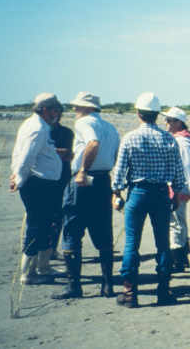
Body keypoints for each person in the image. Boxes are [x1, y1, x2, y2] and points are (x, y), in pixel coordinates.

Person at [112, 92, 186, 308]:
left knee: (131, 245)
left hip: (137, 193)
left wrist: (116, 193)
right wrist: (177, 194)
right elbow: (178, 172)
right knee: (163, 245)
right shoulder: (168, 138)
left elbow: (119, 171)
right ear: (156, 115)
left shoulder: (130, 137)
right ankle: (163, 290)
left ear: (139, 114)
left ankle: (129, 293)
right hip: (161, 194)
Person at [52, 92, 120, 300]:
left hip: (84, 181)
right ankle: (108, 286)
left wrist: (83, 170)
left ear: (90, 108)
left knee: (72, 227)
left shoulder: (84, 123)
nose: (75, 109)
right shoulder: (111, 127)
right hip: (102, 180)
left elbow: (93, 143)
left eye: (79, 106)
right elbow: (113, 153)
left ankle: (74, 286)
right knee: (103, 229)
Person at [10, 93, 65, 284]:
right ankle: (28, 274)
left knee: (45, 225)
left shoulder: (41, 126)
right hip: (37, 185)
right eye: (55, 110)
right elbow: (25, 158)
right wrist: (20, 178)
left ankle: (43, 268)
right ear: (45, 110)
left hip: (44, 185)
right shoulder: (36, 128)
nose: (58, 113)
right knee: (36, 226)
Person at [160, 107, 190, 272]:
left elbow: (189, 165)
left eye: (169, 120)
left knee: (175, 223)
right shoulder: (179, 139)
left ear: (178, 123)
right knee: (179, 221)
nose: (165, 123)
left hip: (177, 188)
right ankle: (183, 257)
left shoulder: (181, 141)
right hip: (179, 187)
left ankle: (178, 261)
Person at [49, 117, 74, 261]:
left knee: (59, 215)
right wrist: (57, 153)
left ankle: (52, 249)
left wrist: (47, 153)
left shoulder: (66, 132)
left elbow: (69, 154)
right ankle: (44, 250)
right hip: (44, 179)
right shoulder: (41, 131)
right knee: (44, 216)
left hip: (63, 178)